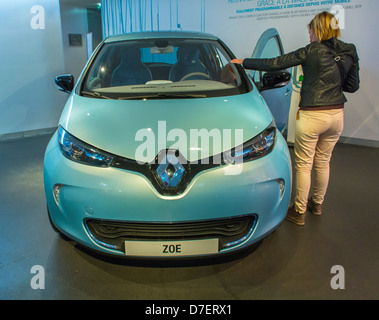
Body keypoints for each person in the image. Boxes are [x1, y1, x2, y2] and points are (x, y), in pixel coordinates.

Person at [231, 11, 359, 225]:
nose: (309, 35)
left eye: (310, 31)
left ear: (318, 30)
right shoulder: (349, 50)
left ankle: (298, 211)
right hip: (337, 115)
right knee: (323, 161)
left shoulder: (312, 50)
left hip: (312, 115)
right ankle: (316, 204)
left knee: (303, 164)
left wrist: (244, 62)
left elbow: (276, 63)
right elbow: (352, 86)